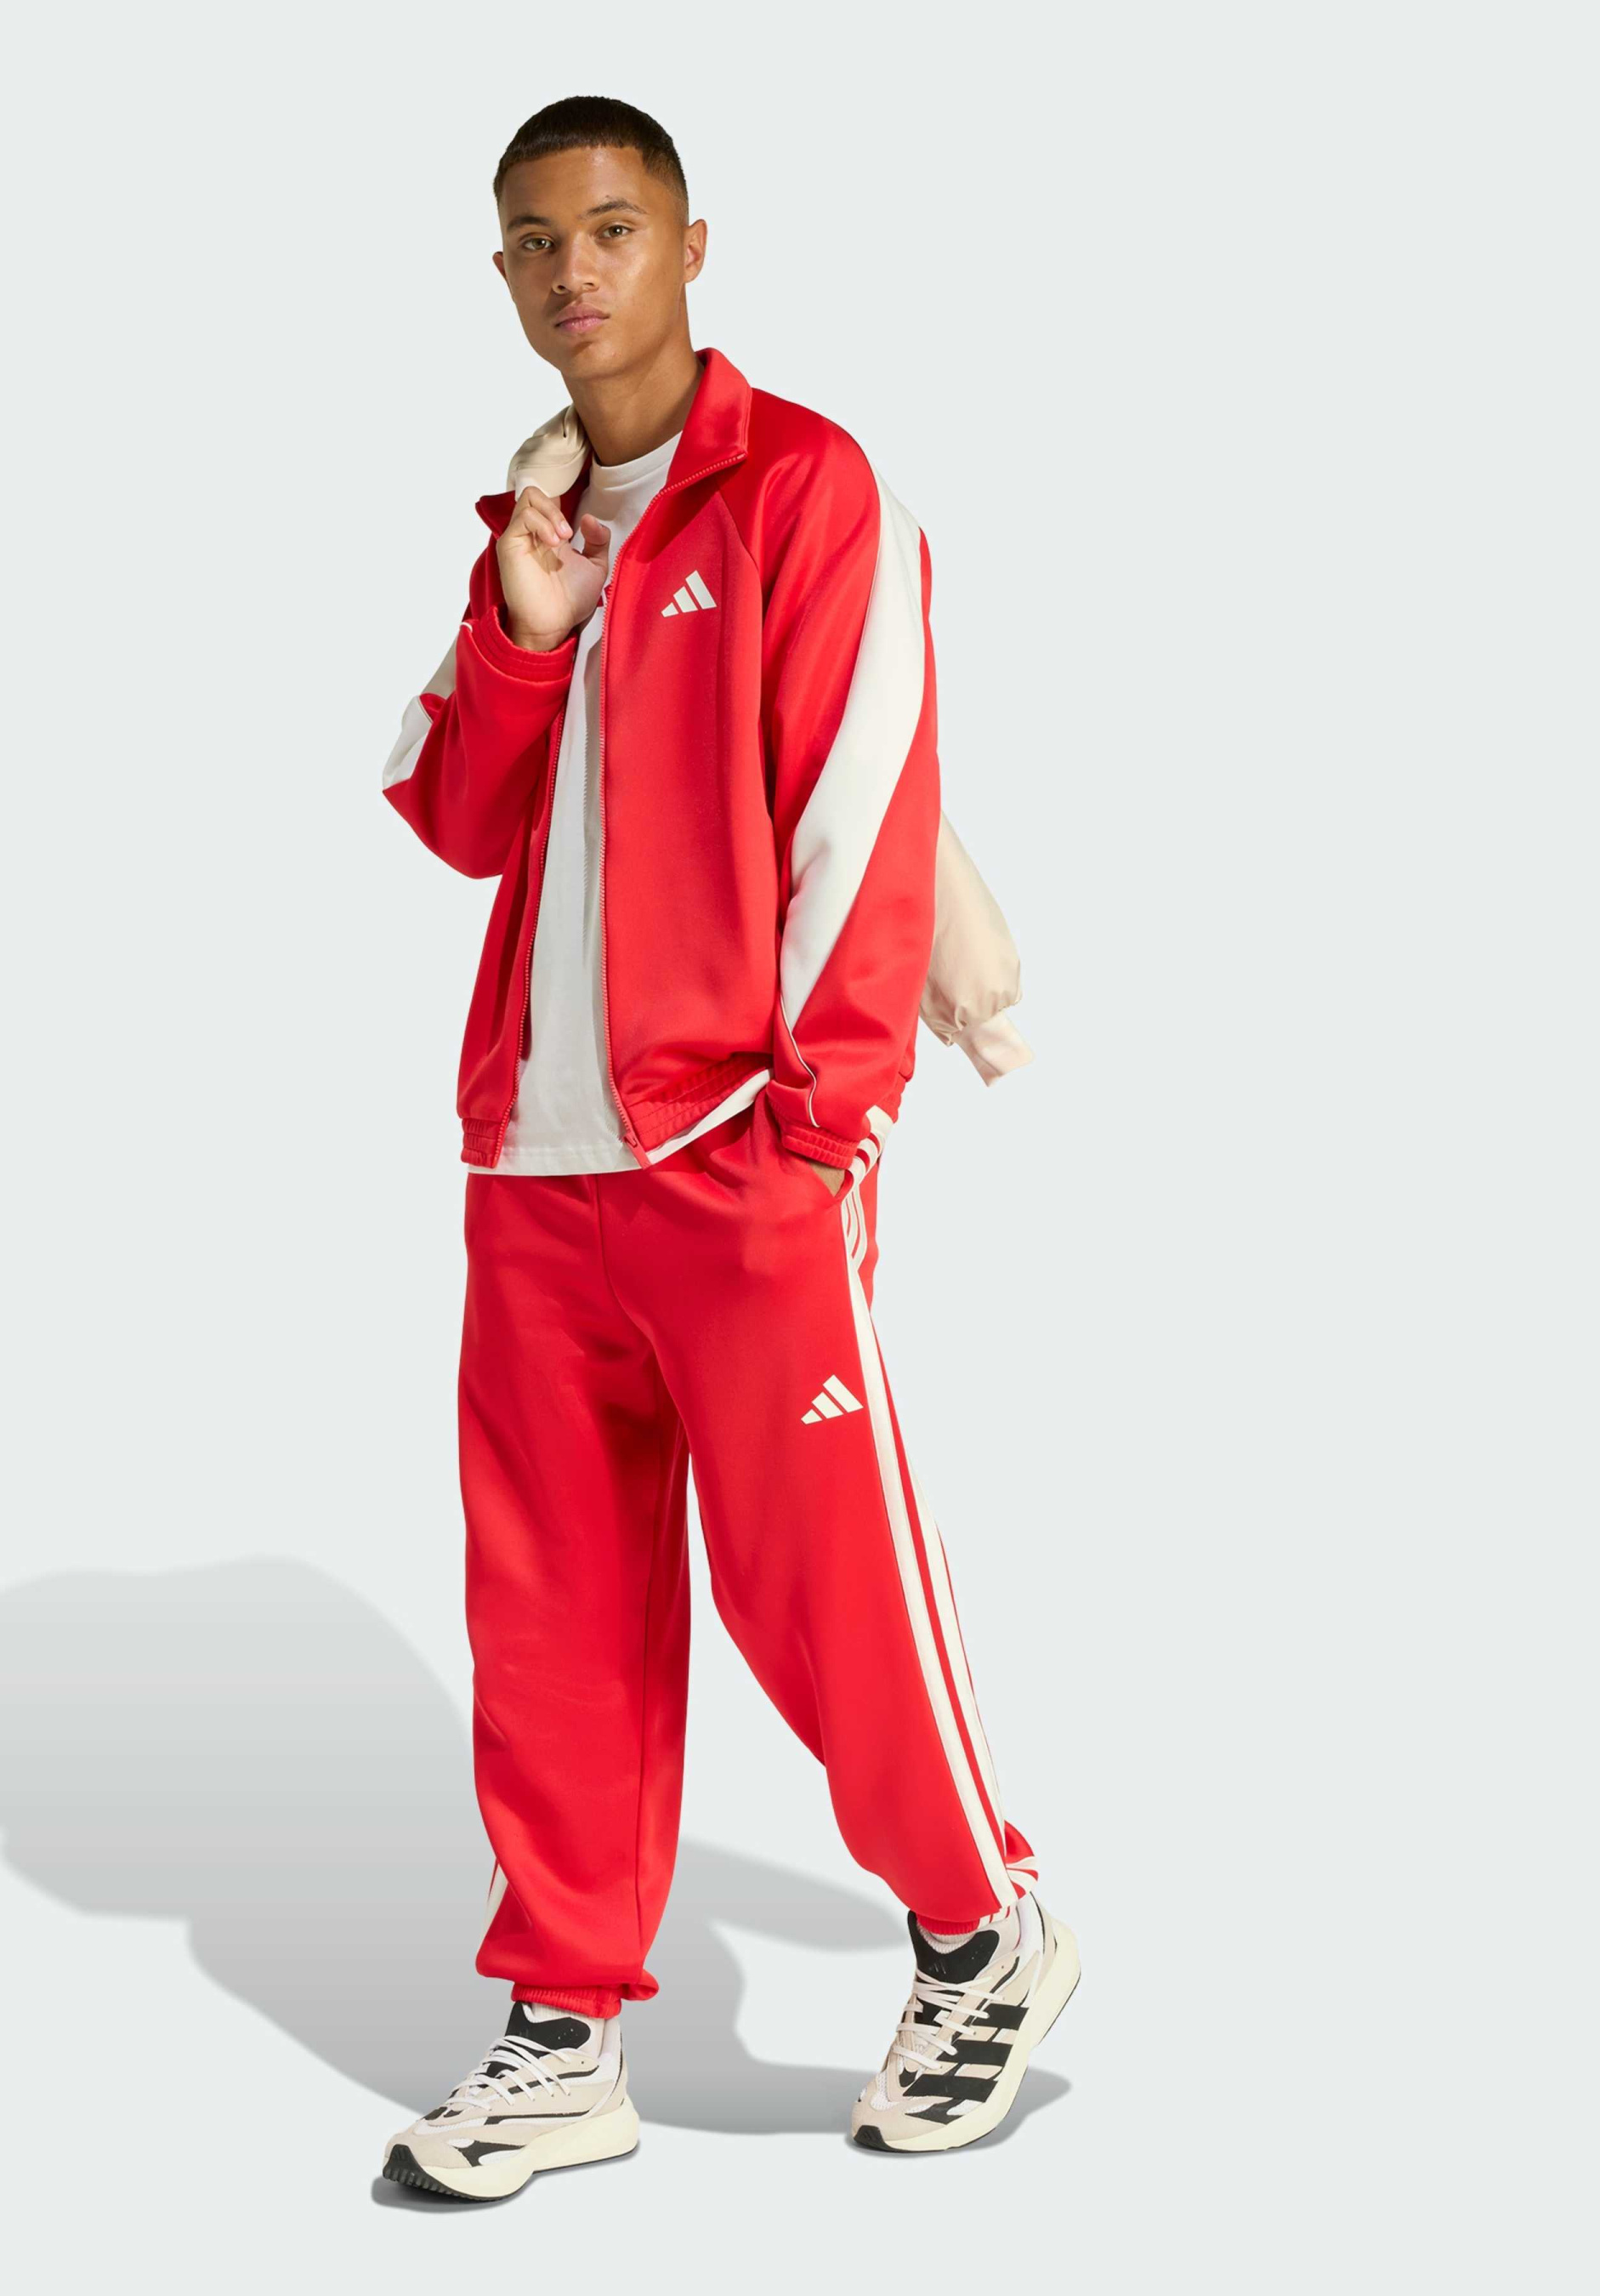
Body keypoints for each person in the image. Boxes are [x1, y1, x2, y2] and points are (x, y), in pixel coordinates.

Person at [377, 95, 1077, 2200]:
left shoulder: (802, 487)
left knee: (820, 1589)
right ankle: (563, 2029)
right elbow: (455, 817)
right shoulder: (536, 520)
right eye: (533, 240)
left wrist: (825, 1121)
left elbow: (865, 794)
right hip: (534, 1163)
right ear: (500, 277)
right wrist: (521, 623)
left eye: (609, 227)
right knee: (554, 1614)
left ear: (690, 246)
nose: (571, 270)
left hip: (740, 1146)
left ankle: (981, 1929)